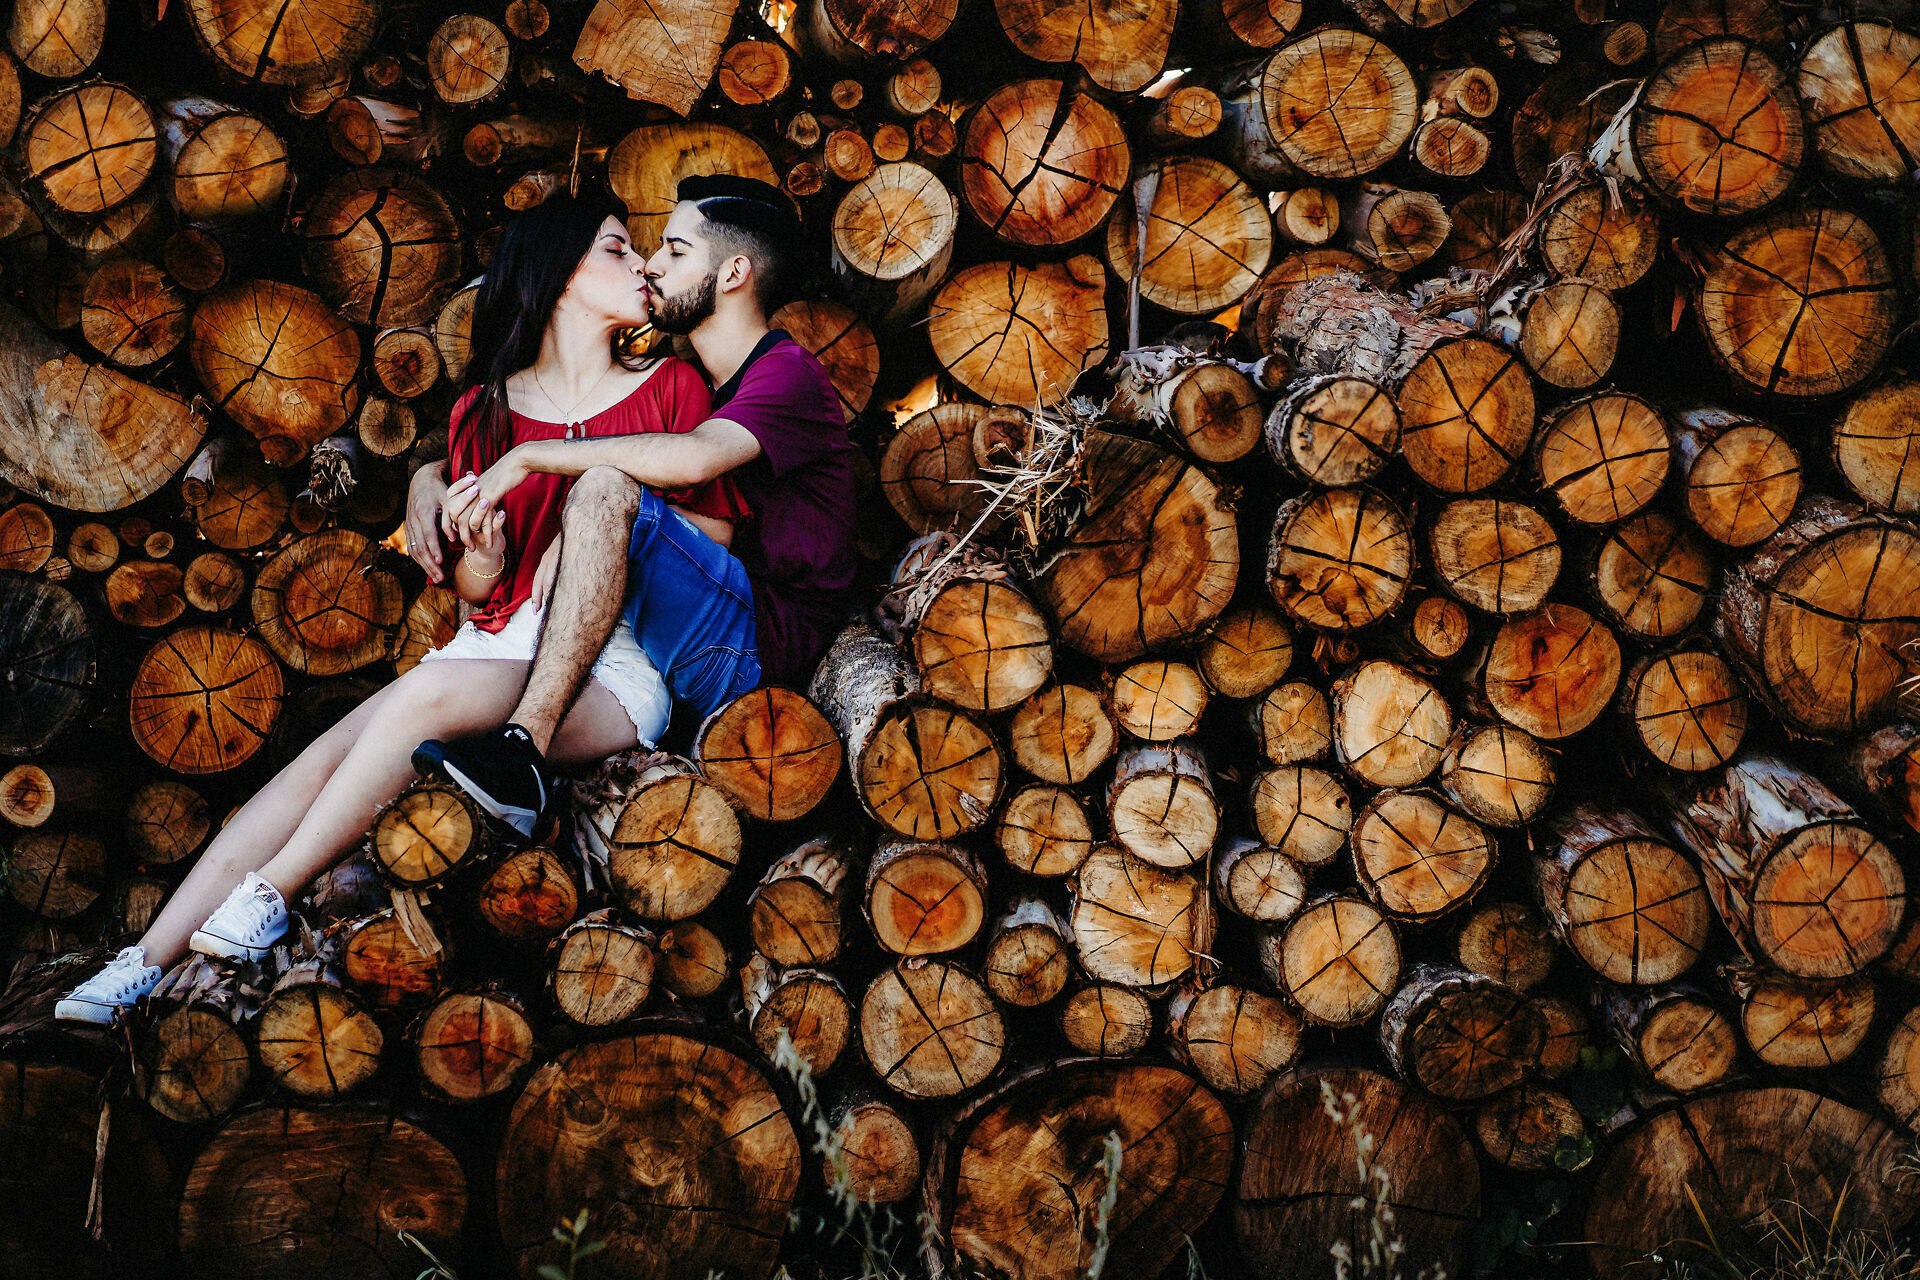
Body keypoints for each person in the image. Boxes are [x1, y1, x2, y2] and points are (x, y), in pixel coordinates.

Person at [56, 194, 742, 1024]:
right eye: (616, 249)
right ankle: (138, 965)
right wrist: (485, 560)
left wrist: (600, 514)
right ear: (558, 272)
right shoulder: (483, 411)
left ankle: (271, 893)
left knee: (421, 697)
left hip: (613, 667)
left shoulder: (671, 389)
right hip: (499, 644)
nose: (642, 266)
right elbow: (478, 591)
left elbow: (708, 538)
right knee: (318, 763)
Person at [410, 175, 855, 832]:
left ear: (733, 273)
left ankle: (523, 752)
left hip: (759, 650)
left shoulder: (784, 372)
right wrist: (430, 474)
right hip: (701, 629)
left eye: (675, 250)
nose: (651, 265)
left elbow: (693, 460)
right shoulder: (715, 384)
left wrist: (540, 470)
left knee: (603, 487)